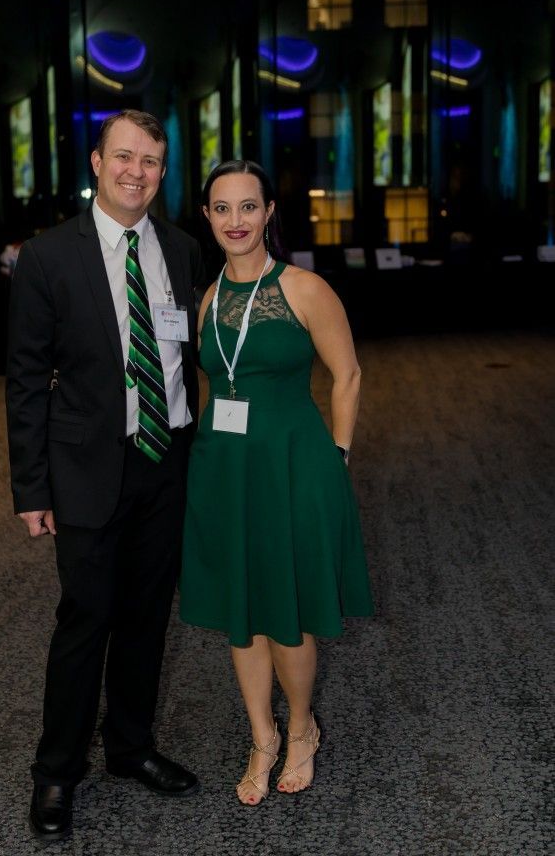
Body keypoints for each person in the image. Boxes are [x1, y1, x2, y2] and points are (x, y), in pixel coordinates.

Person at [5, 109, 205, 842]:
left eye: (150, 161)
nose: (136, 172)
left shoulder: (181, 250)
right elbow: (26, 378)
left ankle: (130, 749)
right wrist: (31, 488)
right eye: (123, 157)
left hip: (164, 460)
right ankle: (55, 772)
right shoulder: (49, 256)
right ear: (96, 162)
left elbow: (188, 357)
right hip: (85, 470)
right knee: (84, 621)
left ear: (161, 170)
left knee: (147, 619)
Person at [178, 159, 373, 806]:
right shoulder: (205, 299)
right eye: (221, 208)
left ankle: (301, 729)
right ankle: (261, 736)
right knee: (242, 613)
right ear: (207, 217)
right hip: (225, 473)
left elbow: (345, 376)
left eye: (247, 207)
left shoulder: (302, 289)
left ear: (267, 214)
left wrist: (337, 456)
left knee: (287, 613)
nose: (235, 221)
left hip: (293, 470)